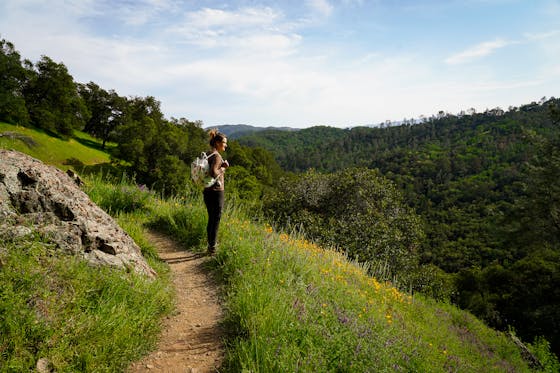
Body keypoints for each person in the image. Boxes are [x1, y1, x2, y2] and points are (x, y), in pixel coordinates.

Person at [203, 129, 229, 255]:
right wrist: (223, 168)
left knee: (211, 219)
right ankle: (212, 248)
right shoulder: (217, 156)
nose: (226, 145)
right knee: (216, 220)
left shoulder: (209, 153)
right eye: (224, 143)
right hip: (216, 192)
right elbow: (214, 173)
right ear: (218, 143)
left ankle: (210, 246)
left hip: (207, 191)